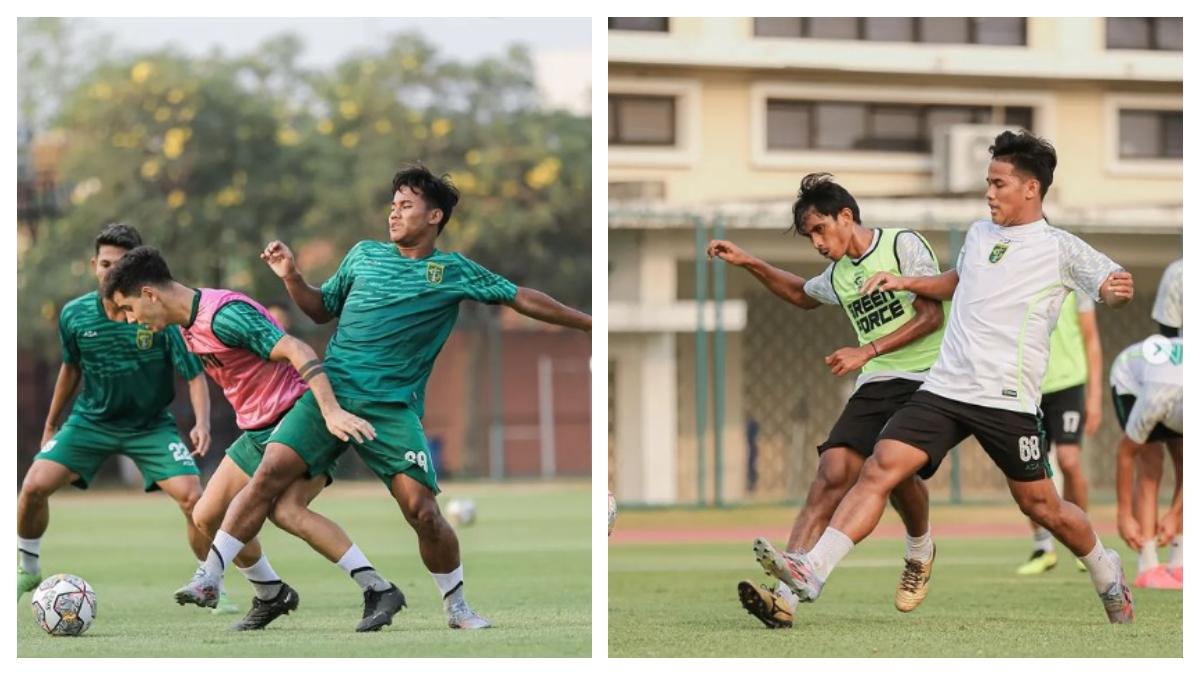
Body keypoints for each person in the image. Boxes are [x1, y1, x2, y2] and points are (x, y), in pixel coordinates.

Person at [175, 164, 591, 630]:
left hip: (391, 407)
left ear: (434, 217)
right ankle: (210, 574)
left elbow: (520, 297)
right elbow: (319, 309)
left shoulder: (452, 270)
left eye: (406, 206)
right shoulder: (363, 256)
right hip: (330, 394)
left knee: (422, 511)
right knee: (269, 475)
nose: (393, 214)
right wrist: (291, 276)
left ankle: (456, 606)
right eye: (392, 205)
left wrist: (590, 324)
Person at [754, 130, 1138, 624]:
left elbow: (1110, 287)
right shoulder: (979, 234)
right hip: (945, 387)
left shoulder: (1061, 248)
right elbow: (958, 282)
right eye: (988, 182)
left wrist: (1117, 291)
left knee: (1043, 506)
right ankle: (813, 569)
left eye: (999, 183)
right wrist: (906, 280)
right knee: (880, 466)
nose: (989, 192)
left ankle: (1105, 568)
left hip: (1007, 398)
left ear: (1031, 189)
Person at [104, 245, 404, 631]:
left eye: (128, 309)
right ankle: (274, 593)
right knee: (207, 515)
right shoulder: (184, 325)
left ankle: (210, 575)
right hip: (259, 427)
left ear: (149, 294)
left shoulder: (225, 316)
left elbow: (296, 348)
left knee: (272, 501)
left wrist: (329, 411)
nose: (130, 320)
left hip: (300, 413)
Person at [708, 173, 944, 629]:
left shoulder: (902, 246)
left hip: (930, 377)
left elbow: (931, 315)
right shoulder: (839, 275)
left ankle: (920, 550)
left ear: (846, 216)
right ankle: (784, 597)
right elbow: (801, 293)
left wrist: (866, 350)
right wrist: (749, 261)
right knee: (832, 473)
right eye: (808, 235)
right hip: (877, 381)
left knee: (891, 468)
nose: (816, 242)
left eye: (820, 229)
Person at [18, 223, 211, 596]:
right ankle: (28, 568)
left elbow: (195, 375)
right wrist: (51, 425)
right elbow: (70, 369)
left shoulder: (159, 317)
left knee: (194, 499)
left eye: (120, 265)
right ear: (94, 265)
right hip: (92, 422)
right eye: (105, 263)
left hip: (150, 426)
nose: (111, 272)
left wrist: (202, 421)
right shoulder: (75, 315)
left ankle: (209, 581)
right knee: (32, 486)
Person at [1017, 290, 1103, 575]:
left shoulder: (1076, 284)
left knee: (1068, 460)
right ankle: (1043, 547)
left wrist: (1094, 397)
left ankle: (1083, 541)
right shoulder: (1022, 279)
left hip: (1069, 386)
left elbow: (1091, 340)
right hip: (1030, 385)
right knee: (1028, 466)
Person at [1110, 336, 1183, 590]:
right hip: (1133, 380)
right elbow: (1125, 454)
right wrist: (1124, 514)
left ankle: (1180, 562)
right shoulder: (1157, 399)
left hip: (1173, 388)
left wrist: (1175, 513)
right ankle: (1149, 566)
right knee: (1151, 462)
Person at [1130, 259, 1183, 578]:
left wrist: (1175, 513)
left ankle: (1183, 554)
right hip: (1173, 382)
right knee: (1153, 462)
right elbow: (1170, 341)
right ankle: (1148, 559)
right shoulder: (1178, 273)